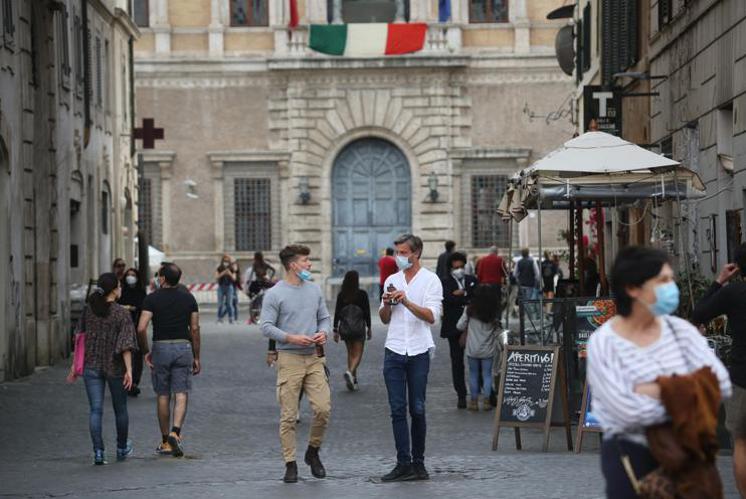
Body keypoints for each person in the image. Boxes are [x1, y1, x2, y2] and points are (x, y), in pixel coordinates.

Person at [587, 246, 731, 498]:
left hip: (686, 451)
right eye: (662, 280)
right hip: (630, 454)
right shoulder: (604, 342)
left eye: (671, 279)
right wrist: (690, 390)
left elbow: (721, 384)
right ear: (633, 289)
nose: (671, 287)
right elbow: (628, 412)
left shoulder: (680, 331)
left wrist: (656, 389)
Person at [260, 244, 331, 484]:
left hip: (314, 357)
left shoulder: (315, 290)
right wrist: (291, 337)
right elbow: (266, 326)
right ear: (293, 265)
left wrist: (323, 332)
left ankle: (312, 451)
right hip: (289, 358)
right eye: (306, 260)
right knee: (288, 416)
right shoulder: (275, 294)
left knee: (323, 409)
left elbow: (324, 318)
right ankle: (290, 463)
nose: (310, 264)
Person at [379, 234, 443, 482]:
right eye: (397, 252)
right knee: (397, 409)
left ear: (416, 254)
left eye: (403, 253)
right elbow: (385, 319)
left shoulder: (431, 281)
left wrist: (405, 301)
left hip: (418, 351)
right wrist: (387, 304)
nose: (399, 257)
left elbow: (431, 317)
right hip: (393, 349)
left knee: (417, 408)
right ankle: (402, 462)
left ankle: (419, 463)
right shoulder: (391, 280)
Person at [691, 243, 746, 497]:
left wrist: (719, 281)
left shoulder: (733, 292)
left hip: (742, 378)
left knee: (742, 443)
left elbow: (699, 312)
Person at [66, 272, 137, 465]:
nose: (121, 288)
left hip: (91, 365)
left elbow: (79, 336)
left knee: (95, 410)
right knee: (120, 408)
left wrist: (75, 365)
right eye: (120, 286)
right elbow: (126, 345)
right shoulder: (122, 313)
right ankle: (122, 448)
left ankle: (98, 452)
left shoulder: (89, 310)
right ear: (114, 290)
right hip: (114, 366)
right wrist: (129, 370)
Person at [137, 262, 201, 458]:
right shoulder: (189, 298)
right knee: (181, 392)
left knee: (163, 394)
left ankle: (165, 441)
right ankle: (176, 431)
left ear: (162, 278)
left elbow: (141, 327)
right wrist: (197, 355)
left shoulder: (151, 299)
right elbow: (195, 329)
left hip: (161, 347)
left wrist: (146, 351)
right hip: (183, 346)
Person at [440, 251, 478, 409]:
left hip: (473, 327)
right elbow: (447, 299)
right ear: (450, 267)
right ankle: (461, 395)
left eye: (462, 266)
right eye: (456, 266)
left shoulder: (472, 280)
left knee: (476, 360)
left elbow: (476, 297)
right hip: (453, 327)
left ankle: (481, 392)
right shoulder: (445, 281)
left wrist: (463, 294)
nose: (459, 269)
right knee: (457, 362)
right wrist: (461, 298)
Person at [456, 284, 501, 411]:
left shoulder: (469, 310)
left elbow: (459, 326)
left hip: (472, 348)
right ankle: (487, 401)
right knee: (487, 375)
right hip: (488, 349)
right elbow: (497, 330)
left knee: (473, 374)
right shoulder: (493, 312)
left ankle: (474, 402)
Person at [333, 270, 372, 391]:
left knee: (350, 353)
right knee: (358, 353)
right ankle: (350, 372)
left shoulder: (341, 295)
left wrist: (335, 329)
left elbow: (337, 313)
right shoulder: (362, 294)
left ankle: (353, 380)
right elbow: (367, 312)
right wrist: (369, 327)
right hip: (358, 328)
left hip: (345, 328)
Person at [119, 267, 147, 397]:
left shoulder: (141, 292)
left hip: (136, 326)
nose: (130, 277)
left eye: (133, 275)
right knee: (123, 353)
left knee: (137, 355)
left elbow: (143, 308)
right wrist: (127, 308)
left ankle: (134, 382)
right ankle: (124, 380)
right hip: (121, 328)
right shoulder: (121, 291)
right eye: (128, 275)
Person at [513, 248, 541, 321]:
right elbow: (537, 274)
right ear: (528, 253)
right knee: (528, 300)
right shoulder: (532, 262)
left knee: (524, 300)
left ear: (522, 254)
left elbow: (514, 274)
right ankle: (530, 317)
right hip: (530, 284)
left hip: (522, 284)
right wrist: (536, 281)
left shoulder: (518, 262)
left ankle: (525, 316)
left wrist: (518, 279)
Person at [215, 254, 236, 324]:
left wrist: (229, 273)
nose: (226, 262)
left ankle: (231, 318)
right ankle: (219, 318)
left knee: (229, 304)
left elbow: (234, 278)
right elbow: (216, 277)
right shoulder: (219, 268)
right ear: (222, 261)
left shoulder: (231, 268)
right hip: (221, 287)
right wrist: (223, 273)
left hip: (229, 287)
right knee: (220, 304)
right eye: (224, 261)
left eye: (227, 261)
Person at [231, 259, 241, 323]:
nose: (234, 266)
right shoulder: (231, 272)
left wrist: (241, 288)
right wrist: (234, 271)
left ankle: (236, 319)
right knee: (230, 304)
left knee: (234, 304)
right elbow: (233, 280)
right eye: (233, 264)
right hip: (230, 289)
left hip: (234, 289)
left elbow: (237, 282)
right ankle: (220, 317)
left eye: (235, 264)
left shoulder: (237, 273)